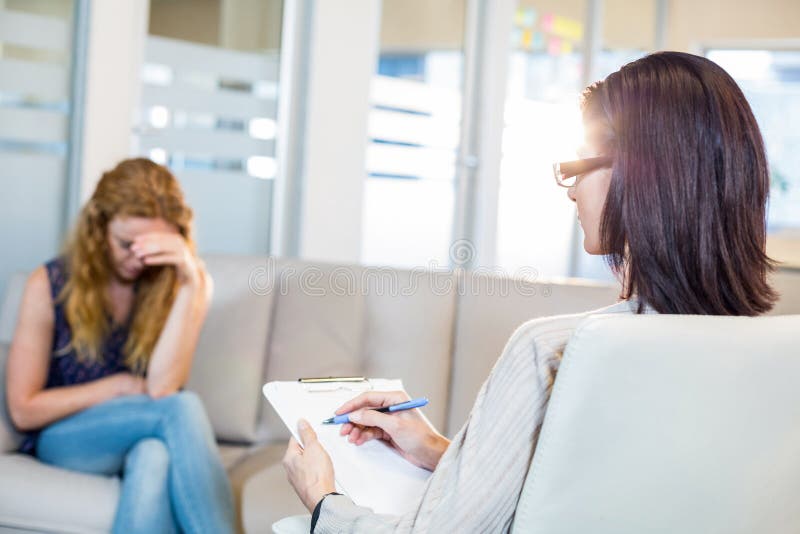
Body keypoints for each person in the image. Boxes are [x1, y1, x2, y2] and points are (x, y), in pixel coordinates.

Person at [281, 51, 777, 532]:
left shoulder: (554, 351)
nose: (571, 189)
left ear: (638, 177)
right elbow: (597, 495)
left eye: (581, 165)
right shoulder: (769, 353)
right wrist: (438, 450)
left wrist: (325, 500)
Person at [6, 158, 236, 534]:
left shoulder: (179, 286)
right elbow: (23, 410)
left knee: (155, 456)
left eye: (152, 248)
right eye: (126, 244)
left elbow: (161, 387)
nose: (137, 258)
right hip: (65, 437)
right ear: (99, 229)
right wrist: (114, 387)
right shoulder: (48, 284)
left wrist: (192, 286)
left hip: (140, 432)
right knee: (183, 408)